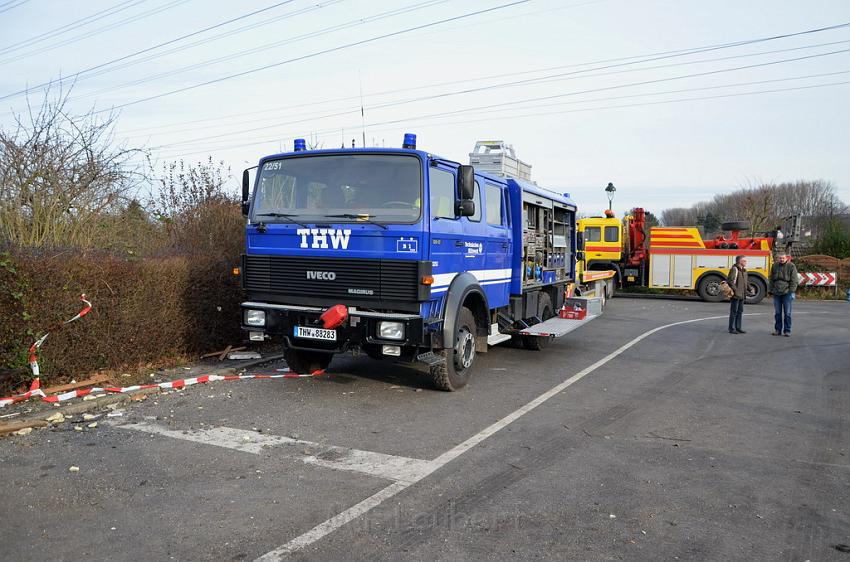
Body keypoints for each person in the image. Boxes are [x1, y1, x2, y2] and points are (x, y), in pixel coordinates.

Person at [769, 253, 799, 336]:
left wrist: (791, 291)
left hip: (787, 293)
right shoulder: (774, 266)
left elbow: (794, 280)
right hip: (776, 292)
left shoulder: (791, 266)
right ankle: (778, 330)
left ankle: (787, 330)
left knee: (787, 313)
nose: (781, 259)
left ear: (786, 258)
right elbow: (771, 278)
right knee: (777, 313)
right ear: (778, 259)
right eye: (780, 258)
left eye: (783, 258)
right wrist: (770, 290)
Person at [727, 255, 748, 334]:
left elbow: (746, 281)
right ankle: (731, 328)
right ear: (740, 261)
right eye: (745, 261)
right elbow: (730, 281)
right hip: (736, 295)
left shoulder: (744, 270)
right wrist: (736, 291)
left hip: (742, 294)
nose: (746, 262)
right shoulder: (734, 269)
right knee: (734, 311)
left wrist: (750, 288)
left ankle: (738, 327)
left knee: (740, 311)